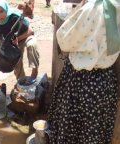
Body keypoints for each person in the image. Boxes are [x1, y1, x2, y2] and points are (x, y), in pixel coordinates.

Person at [47, 0, 120, 143]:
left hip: (80, 79)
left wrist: (78, 8)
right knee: (94, 131)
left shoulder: (92, 8)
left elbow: (64, 39)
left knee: (69, 128)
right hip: (105, 81)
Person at [0, 0, 40, 85]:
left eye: (1, 11)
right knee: (14, 59)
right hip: (14, 43)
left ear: (6, 9)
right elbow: (0, 40)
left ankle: (34, 72)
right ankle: (21, 80)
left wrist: (18, 38)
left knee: (31, 45)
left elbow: (31, 31)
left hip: (26, 36)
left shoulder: (14, 17)